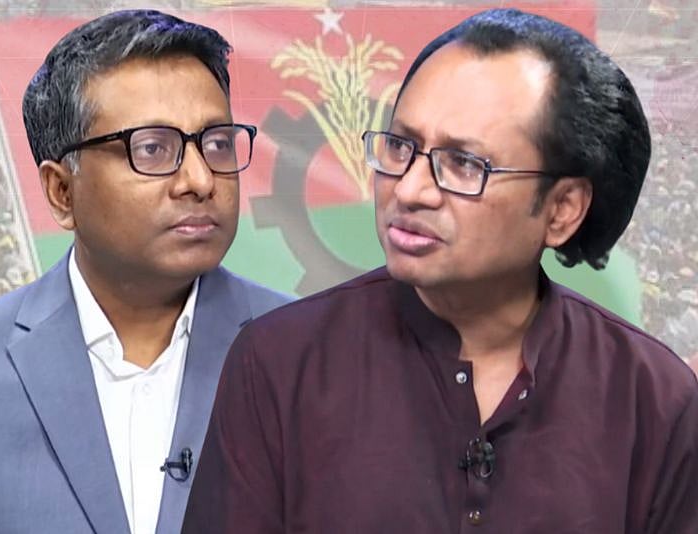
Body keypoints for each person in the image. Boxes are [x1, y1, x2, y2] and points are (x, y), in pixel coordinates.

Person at [183, 8, 698, 534]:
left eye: (464, 164)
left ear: (562, 209)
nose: (409, 190)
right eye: (400, 147)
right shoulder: (280, 364)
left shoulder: (653, 401)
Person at [0, 10, 290, 534]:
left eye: (217, 143)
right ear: (62, 191)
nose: (199, 180)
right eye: (153, 149)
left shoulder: (310, 353)